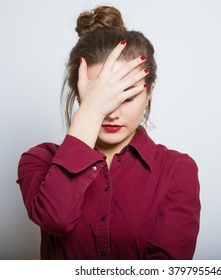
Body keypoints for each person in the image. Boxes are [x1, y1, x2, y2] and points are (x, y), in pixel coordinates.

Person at [16, 5, 200, 260]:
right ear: (80, 94)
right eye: (101, 98)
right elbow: (55, 219)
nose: (112, 113)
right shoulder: (39, 160)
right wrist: (90, 112)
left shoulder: (177, 169)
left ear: (149, 94)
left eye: (127, 97)